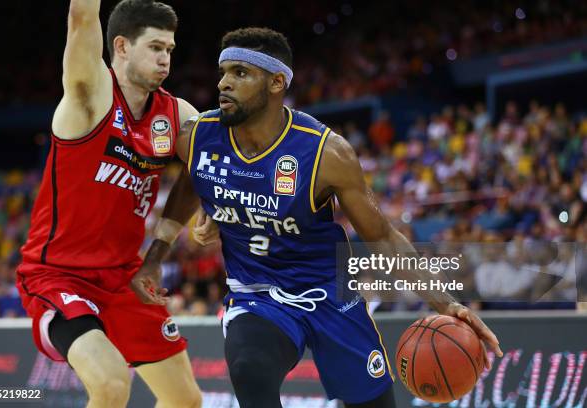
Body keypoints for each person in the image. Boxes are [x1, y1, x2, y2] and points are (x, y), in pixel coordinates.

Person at [132, 27, 503, 407]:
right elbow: (194, 178)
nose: (224, 83)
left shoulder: (326, 153)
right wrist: (158, 254)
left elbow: (383, 236)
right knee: (249, 369)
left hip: (329, 295)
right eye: (223, 71)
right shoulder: (199, 136)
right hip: (257, 295)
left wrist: (446, 303)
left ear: (276, 82)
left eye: (240, 73)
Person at [16, 1, 202, 407]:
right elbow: (82, 17)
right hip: (59, 275)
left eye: (169, 50)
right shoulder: (91, 95)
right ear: (120, 46)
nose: (164, 59)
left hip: (123, 277)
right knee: (112, 382)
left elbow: (208, 169)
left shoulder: (177, 114)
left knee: (186, 400)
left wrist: (172, 240)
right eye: (155, 47)